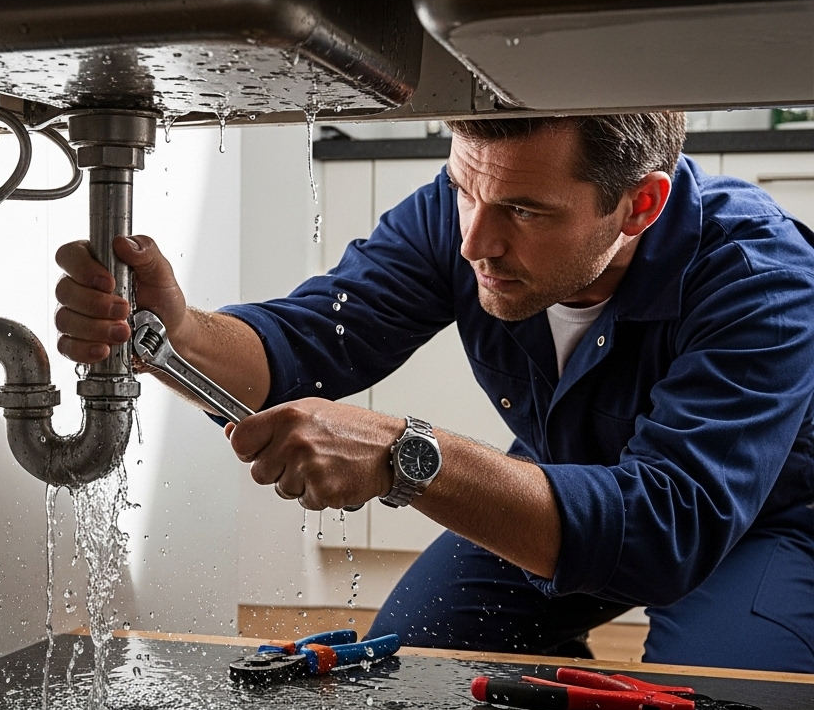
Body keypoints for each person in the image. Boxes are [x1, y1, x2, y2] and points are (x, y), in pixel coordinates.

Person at [53, 113, 814, 672]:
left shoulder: (759, 278)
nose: (474, 242)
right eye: (464, 191)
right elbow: (306, 344)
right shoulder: (470, 208)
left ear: (639, 205)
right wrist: (175, 332)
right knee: (421, 672)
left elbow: (664, 528)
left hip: (765, 522)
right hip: (571, 487)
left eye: (525, 211)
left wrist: (407, 455)